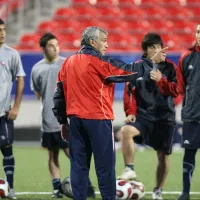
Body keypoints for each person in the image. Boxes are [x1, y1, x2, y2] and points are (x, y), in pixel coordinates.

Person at [57, 26, 167, 200]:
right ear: (93, 42)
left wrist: (63, 121)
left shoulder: (67, 63)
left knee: (78, 167)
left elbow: (59, 95)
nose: (107, 45)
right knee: (105, 167)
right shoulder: (100, 62)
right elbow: (129, 71)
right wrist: (149, 60)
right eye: (104, 40)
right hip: (98, 121)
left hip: (75, 122)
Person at [31, 33, 95, 199]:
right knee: (52, 154)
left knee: (72, 153)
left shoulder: (68, 63)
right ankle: (56, 188)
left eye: (57, 45)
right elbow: (39, 95)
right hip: (47, 121)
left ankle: (85, 184)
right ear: (44, 48)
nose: (56, 48)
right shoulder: (37, 68)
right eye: (51, 46)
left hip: (67, 119)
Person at [117, 33, 178, 200]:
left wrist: (161, 80)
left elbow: (177, 91)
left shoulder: (171, 67)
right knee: (126, 131)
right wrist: (130, 112)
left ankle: (158, 189)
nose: (156, 49)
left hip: (165, 119)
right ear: (145, 50)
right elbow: (129, 92)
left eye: (158, 46)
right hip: (143, 117)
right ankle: (129, 168)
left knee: (163, 156)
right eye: (152, 47)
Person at [0, 19, 25, 199]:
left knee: (7, 147)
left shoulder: (12, 54)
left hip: (4, 112)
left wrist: (16, 106)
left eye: (3, 30)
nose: (2, 33)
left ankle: (10, 188)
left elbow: (20, 79)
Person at [176, 24, 200, 200]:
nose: (199, 35)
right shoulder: (186, 57)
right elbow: (181, 86)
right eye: (198, 31)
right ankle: (185, 192)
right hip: (192, 114)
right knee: (189, 152)